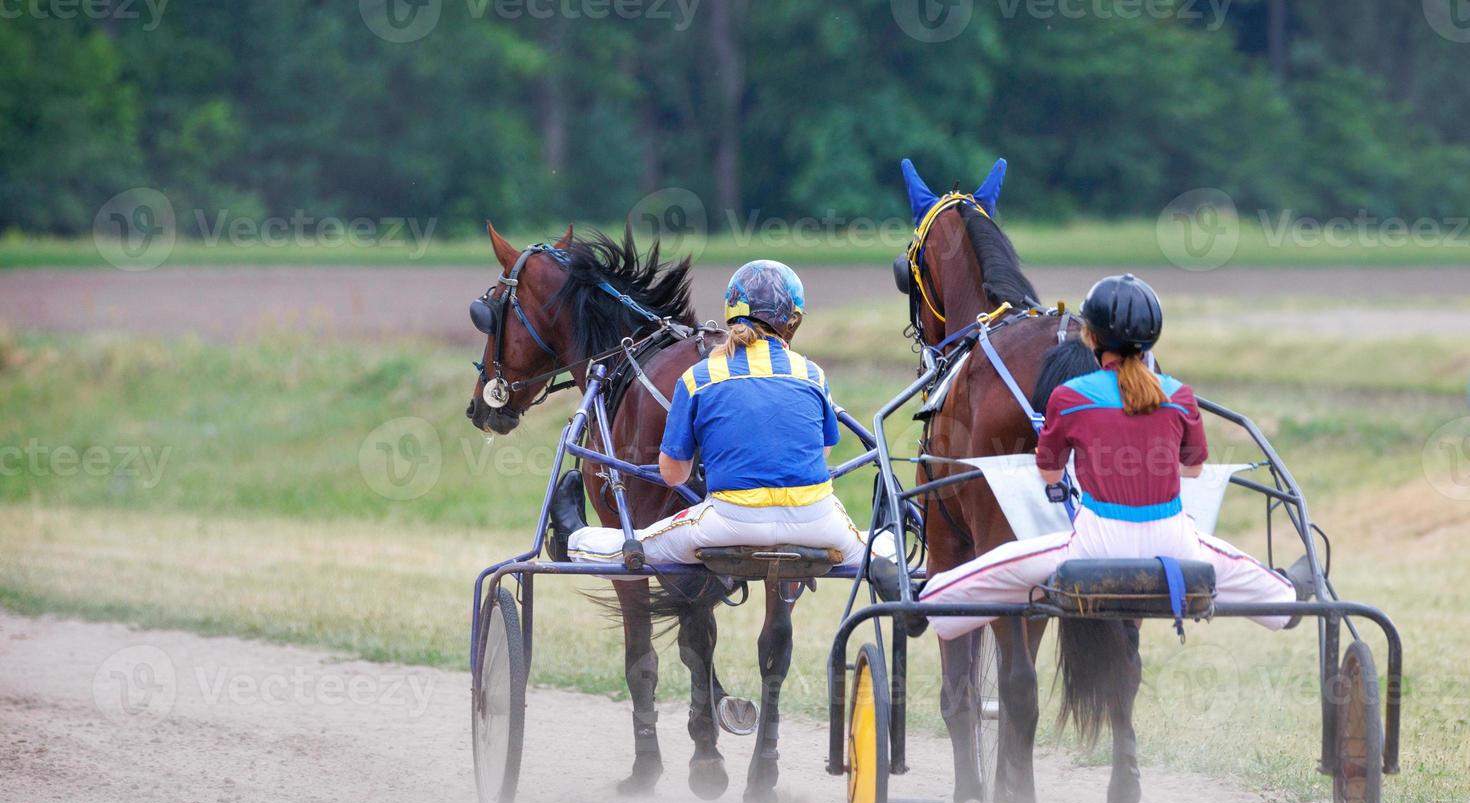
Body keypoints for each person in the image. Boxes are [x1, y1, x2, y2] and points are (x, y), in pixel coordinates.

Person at [917, 273, 1308, 641]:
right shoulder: (1179, 395)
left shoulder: (1069, 398)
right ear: (1152, 341)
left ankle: (924, 604)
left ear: (1090, 336)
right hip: (1173, 542)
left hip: (1095, 544)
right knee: (1237, 567)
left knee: (999, 568)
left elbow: (1050, 475)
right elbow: (1193, 469)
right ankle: (1288, 601)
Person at [548, 260, 885, 568]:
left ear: (731, 310)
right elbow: (821, 451)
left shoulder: (699, 377)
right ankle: (890, 557)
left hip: (729, 523)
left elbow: (673, 474)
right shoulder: (812, 374)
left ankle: (573, 537)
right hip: (817, 523)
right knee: (883, 549)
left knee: (630, 547)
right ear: (793, 319)